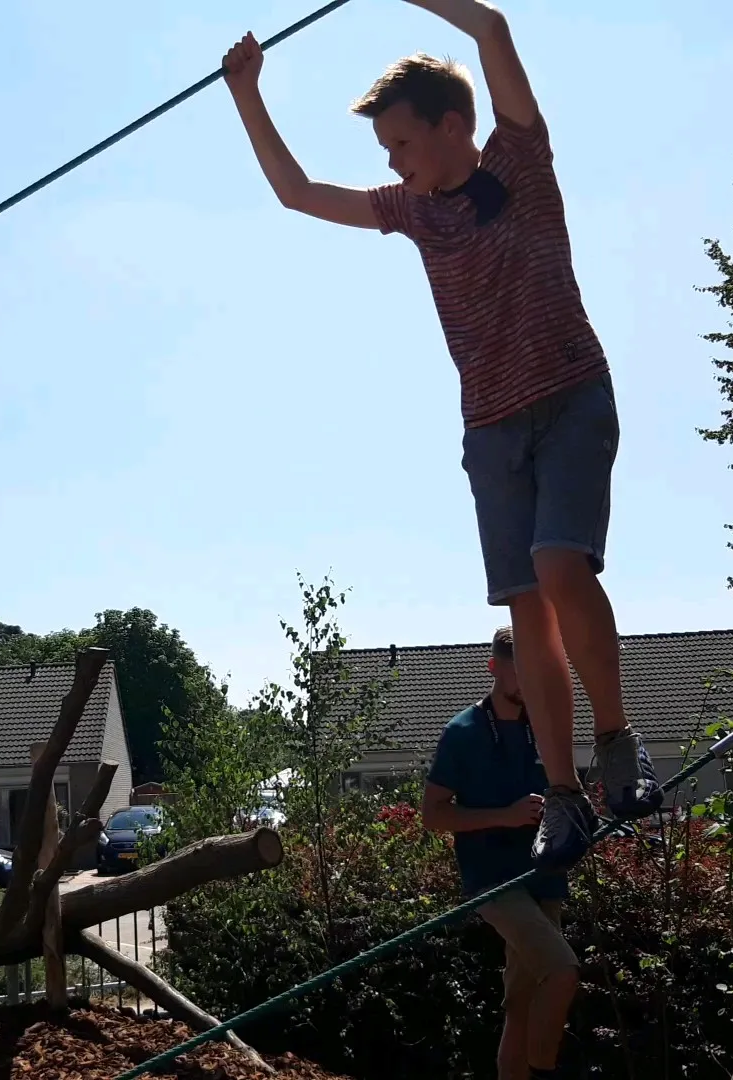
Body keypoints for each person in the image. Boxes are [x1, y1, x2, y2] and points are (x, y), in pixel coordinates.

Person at [220, 0, 659, 874]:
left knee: (561, 566)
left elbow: (492, 27)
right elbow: (298, 194)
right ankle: (563, 797)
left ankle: (618, 743)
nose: (393, 163)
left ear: (453, 127)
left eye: (402, 145)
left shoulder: (519, 164)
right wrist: (246, 94)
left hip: (571, 395)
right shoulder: (413, 213)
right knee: (526, 609)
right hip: (490, 426)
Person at [422, 628, 578, 1080]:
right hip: (493, 883)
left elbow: (568, 790)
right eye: (518, 669)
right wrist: (505, 816)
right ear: (494, 667)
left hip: (545, 876)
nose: (528, 680)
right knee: (563, 970)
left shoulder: (544, 723)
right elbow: (433, 815)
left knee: (521, 1006)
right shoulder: (463, 732)